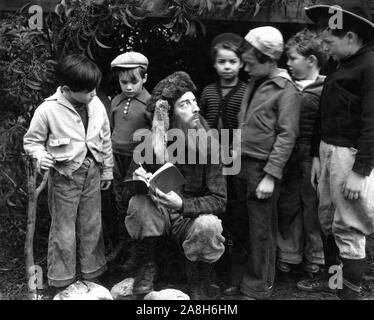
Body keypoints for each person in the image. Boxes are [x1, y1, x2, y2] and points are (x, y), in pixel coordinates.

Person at [123, 71, 227, 300]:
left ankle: (199, 277)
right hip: (158, 216)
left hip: (188, 219)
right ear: (169, 114)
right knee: (138, 203)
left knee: (209, 225)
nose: (196, 108)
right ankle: (146, 265)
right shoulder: (151, 142)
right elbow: (127, 188)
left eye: (195, 101)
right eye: (186, 104)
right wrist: (139, 178)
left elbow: (219, 200)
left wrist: (183, 205)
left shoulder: (210, 143)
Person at [297, 0, 374, 300]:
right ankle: (334, 283)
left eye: (329, 42)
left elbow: (372, 123)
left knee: (349, 227)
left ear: (351, 38)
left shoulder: (369, 67)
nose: (325, 48)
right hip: (328, 153)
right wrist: (316, 154)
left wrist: (360, 171)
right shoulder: (342, 66)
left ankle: (349, 296)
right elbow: (324, 115)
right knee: (327, 220)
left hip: (350, 158)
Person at [23, 54, 113, 291]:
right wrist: (41, 157)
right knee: (63, 228)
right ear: (66, 89)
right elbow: (32, 142)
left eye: (95, 88)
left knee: (92, 223)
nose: (93, 93)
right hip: (65, 175)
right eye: (87, 90)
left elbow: (105, 139)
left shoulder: (96, 105)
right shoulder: (47, 110)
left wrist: (107, 171)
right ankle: (62, 280)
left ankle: (93, 275)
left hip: (92, 171)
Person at [233, 26, 301, 299]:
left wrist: (271, 176)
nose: (245, 69)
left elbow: (287, 137)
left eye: (250, 64)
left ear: (268, 59)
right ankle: (238, 279)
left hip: (262, 170)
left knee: (261, 231)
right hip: (239, 164)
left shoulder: (287, 90)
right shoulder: (254, 81)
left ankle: (258, 287)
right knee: (241, 225)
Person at [277, 29, 328, 275]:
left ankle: (316, 257)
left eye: (292, 58)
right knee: (287, 204)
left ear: (311, 61)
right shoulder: (285, 86)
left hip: (313, 157)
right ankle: (289, 253)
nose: (287, 63)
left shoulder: (327, 87)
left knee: (312, 206)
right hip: (287, 156)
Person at [199, 32, 247, 295]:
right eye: (221, 62)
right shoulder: (208, 91)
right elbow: (201, 123)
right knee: (215, 216)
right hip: (211, 163)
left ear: (241, 63)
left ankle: (235, 276)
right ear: (214, 64)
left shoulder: (246, 91)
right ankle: (214, 272)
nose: (227, 67)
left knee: (236, 218)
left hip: (236, 163)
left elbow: (247, 127)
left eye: (232, 62)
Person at [107, 51, 151, 265]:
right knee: (117, 201)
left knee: (132, 201)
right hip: (116, 156)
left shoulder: (150, 103)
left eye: (134, 81)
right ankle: (121, 245)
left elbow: (154, 136)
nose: (129, 87)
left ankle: (136, 251)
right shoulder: (116, 101)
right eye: (124, 82)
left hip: (136, 160)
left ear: (144, 78)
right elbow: (112, 129)